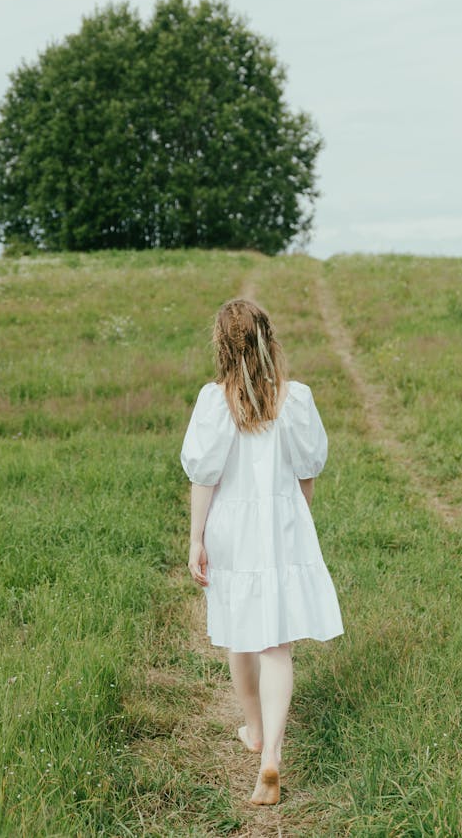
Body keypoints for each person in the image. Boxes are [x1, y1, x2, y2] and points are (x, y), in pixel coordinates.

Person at [181, 298, 343, 807]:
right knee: (279, 644)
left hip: (232, 524)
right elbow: (307, 469)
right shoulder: (294, 399)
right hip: (282, 522)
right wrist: (299, 522)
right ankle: (271, 752)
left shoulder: (214, 400)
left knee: (239, 635)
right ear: (269, 339)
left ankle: (252, 730)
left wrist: (197, 538)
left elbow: (204, 476)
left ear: (222, 347)